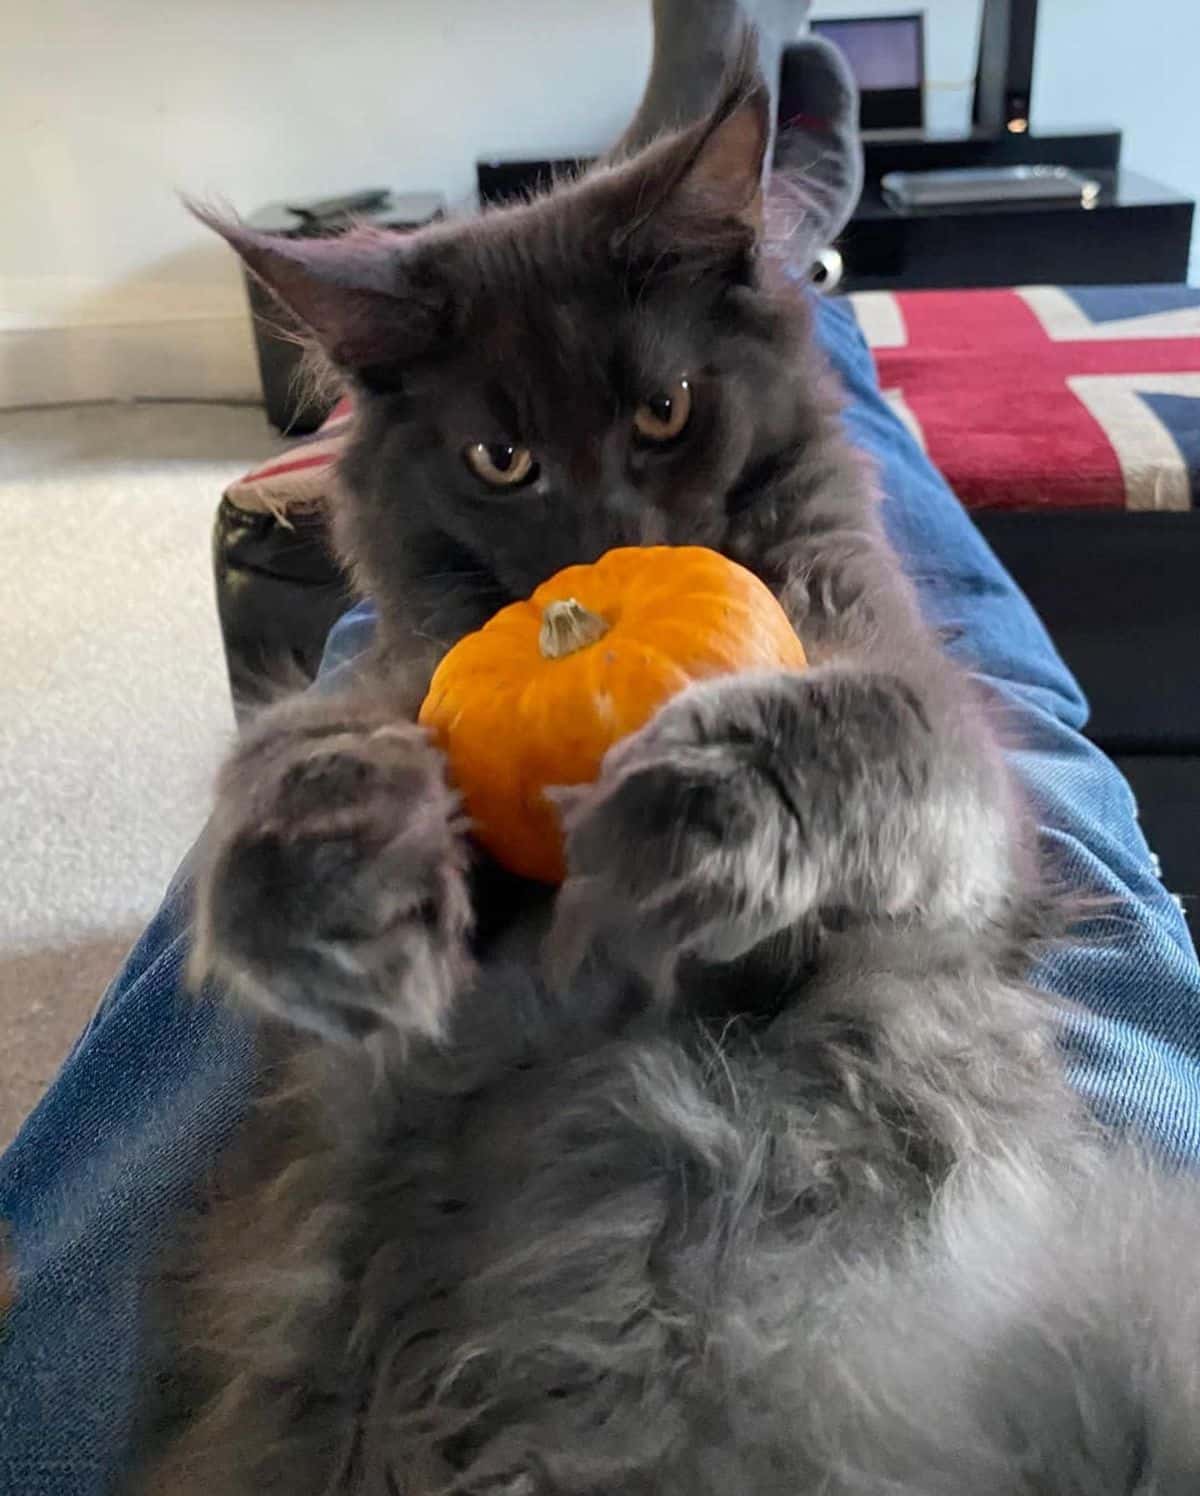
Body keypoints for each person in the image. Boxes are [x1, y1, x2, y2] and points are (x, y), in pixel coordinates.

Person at [2, 4, 1198, 1492]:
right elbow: (983, 855)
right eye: (509, 461)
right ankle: (779, 264)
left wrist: (308, 847)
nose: (614, 530)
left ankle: (751, 249)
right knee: (986, 709)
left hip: (452, 1280)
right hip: (880, 1237)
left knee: (608, 563)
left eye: (656, 429)